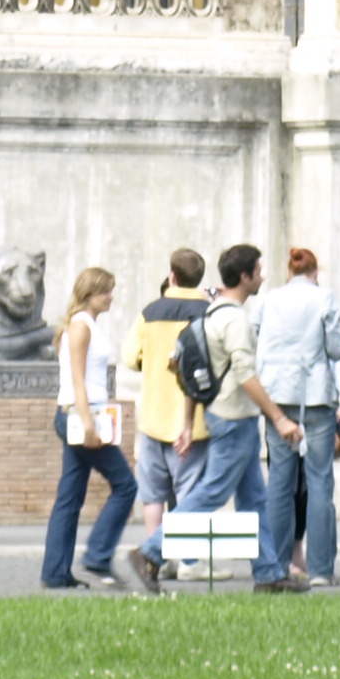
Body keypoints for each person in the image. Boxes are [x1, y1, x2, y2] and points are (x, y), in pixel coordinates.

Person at [117, 248, 214, 585]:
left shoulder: (150, 312)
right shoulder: (208, 311)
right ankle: (190, 560)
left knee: (154, 494)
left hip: (153, 415)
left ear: (172, 276)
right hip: (194, 421)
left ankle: (155, 559)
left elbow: (129, 356)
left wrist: (152, 363)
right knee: (190, 493)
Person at [252, 248, 340, 591]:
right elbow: (337, 348)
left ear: (288, 272)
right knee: (319, 480)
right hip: (315, 394)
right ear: (315, 273)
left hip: (276, 394)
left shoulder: (268, 300)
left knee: (280, 481)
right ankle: (320, 568)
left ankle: (277, 565)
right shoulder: (324, 298)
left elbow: (254, 337)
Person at [41, 265, 136, 593]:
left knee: (69, 497)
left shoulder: (84, 324)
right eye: (106, 291)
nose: (111, 297)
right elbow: (77, 380)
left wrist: (105, 411)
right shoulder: (81, 325)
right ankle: (97, 554)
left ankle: (56, 572)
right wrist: (88, 424)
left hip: (83, 413)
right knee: (126, 486)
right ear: (89, 293)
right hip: (80, 416)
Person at [195, 243, 270, 524]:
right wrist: (276, 416)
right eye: (258, 272)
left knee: (254, 498)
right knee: (213, 492)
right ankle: (153, 545)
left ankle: (266, 556)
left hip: (232, 415)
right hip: (233, 417)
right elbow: (244, 374)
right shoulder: (235, 319)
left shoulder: (216, 311)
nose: (262, 277)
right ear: (244, 276)